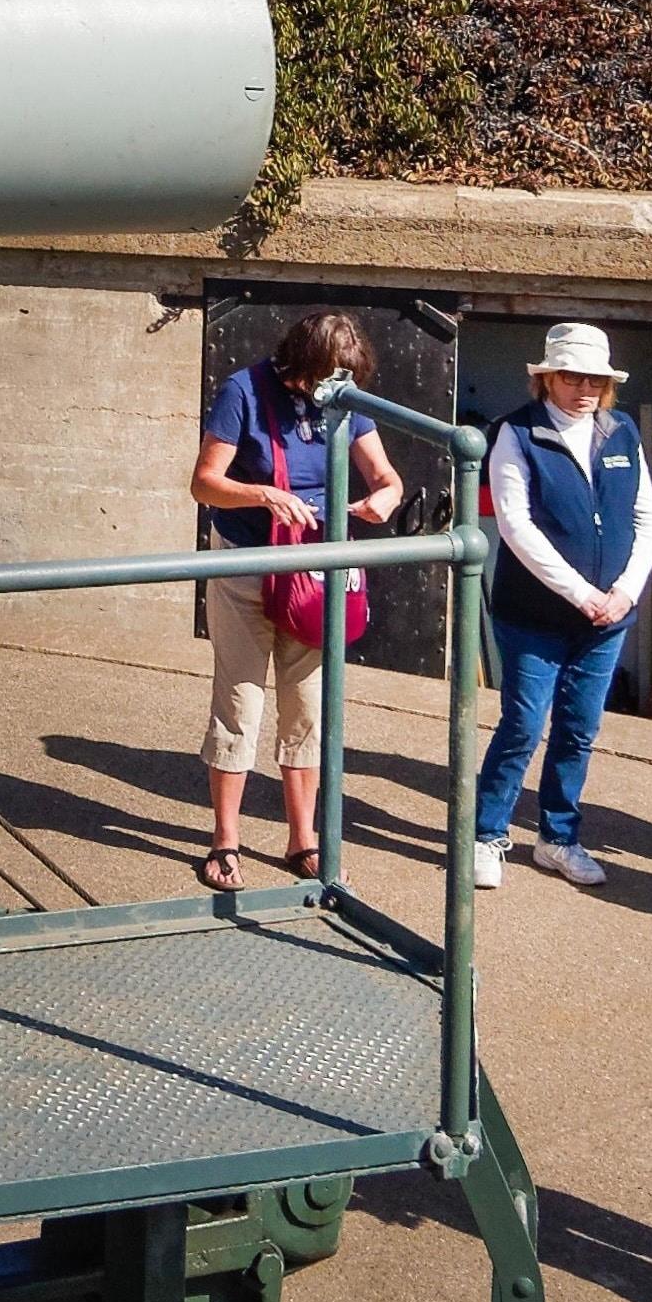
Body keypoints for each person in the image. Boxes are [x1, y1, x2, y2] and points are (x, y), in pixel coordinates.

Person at [187, 312, 406, 891]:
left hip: (315, 566)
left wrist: (384, 497)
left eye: (345, 380)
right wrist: (264, 495)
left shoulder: (344, 394)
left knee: (307, 706)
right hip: (246, 564)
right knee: (239, 702)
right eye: (324, 378)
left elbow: (387, 477)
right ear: (300, 364)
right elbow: (204, 483)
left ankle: (302, 839)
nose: (333, 390)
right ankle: (226, 841)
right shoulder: (244, 391)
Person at [474, 323, 652, 890]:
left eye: (595, 379)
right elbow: (515, 526)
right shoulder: (516, 433)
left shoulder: (621, 431)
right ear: (547, 378)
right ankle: (486, 834)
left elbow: (647, 517)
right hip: (533, 616)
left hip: (608, 618)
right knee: (524, 725)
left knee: (579, 728)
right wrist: (582, 594)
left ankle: (558, 837)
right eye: (572, 376)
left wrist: (625, 592)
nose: (584, 387)